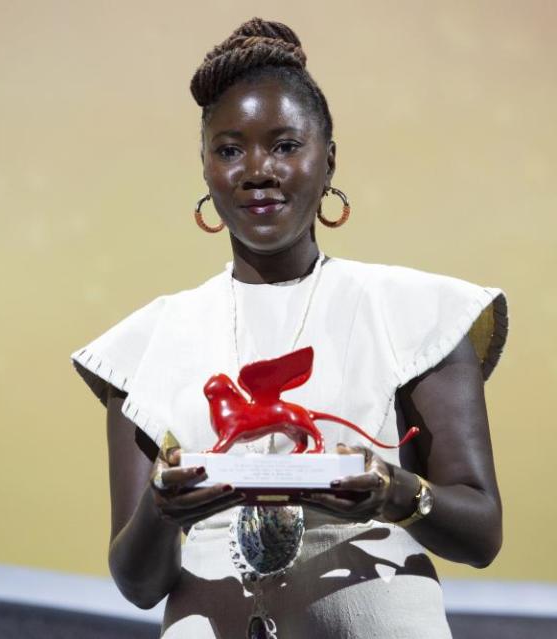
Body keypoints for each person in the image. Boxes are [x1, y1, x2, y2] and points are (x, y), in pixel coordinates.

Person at [71, 17, 507, 639]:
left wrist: (393, 492)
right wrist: (164, 511)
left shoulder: (415, 313)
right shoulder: (144, 345)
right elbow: (138, 584)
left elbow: (481, 532)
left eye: (283, 145)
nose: (257, 170)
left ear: (327, 160)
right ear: (204, 169)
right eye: (229, 149)